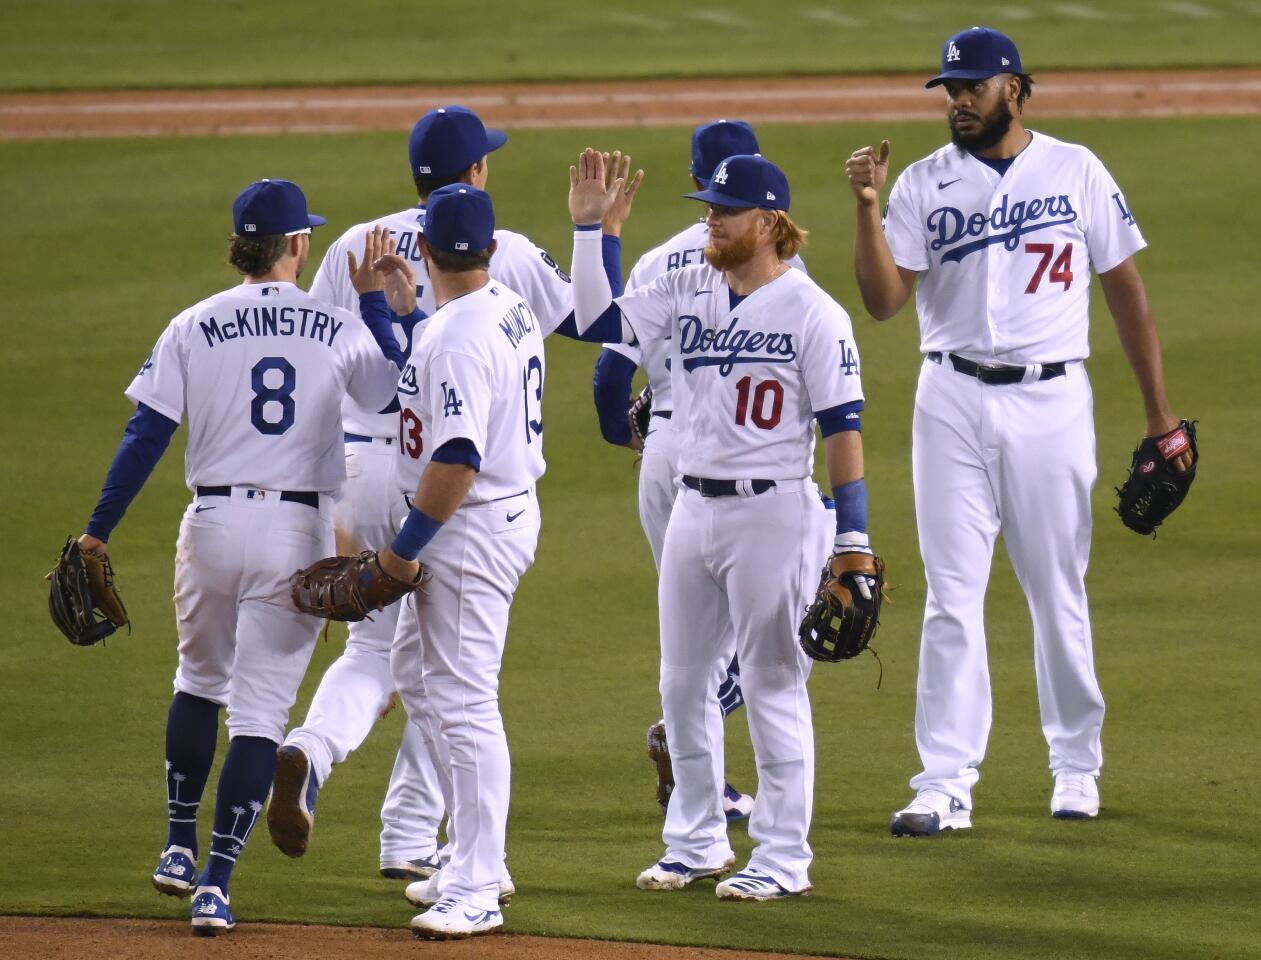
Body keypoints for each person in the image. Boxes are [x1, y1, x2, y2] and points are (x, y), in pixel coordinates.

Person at [270, 105, 635, 880]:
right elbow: (597, 318)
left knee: (397, 659)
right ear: (477, 179)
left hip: (366, 466)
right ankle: (428, 844)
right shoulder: (505, 277)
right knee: (445, 680)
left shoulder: (352, 245)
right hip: (452, 486)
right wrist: (596, 233)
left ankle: (320, 753)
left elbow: (330, 365)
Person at [844, 26, 1192, 836]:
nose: (959, 100)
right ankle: (942, 783)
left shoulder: (1075, 168)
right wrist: (866, 210)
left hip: (1052, 401)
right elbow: (883, 301)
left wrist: (1159, 414)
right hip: (950, 401)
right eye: (949, 88)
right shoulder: (922, 183)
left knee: (1055, 588)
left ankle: (1075, 765)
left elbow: (1125, 290)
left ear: (1016, 88)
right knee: (950, 597)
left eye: (973, 86)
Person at [74, 179, 399, 935]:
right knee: (258, 716)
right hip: (295, 534)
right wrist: (377, 302)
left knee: (198, 681)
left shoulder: (193, 322)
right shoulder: (334, 322)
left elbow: (145, 435)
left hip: (211, 525)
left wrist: (99, 530)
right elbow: (389, 395)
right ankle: (216, 885)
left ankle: (178, 844)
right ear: (295, 245)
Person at [569, 150, 874, 900]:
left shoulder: (812, 312)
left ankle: (781, 856)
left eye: (722, 209)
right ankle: (696, 842)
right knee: (682, 685)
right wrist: (589, 233)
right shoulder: (684, 290)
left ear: (769, 223)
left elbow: (842, 430)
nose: (707, 218)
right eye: (706, 206)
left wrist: (853, 540)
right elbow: (593, 320)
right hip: (692, 507)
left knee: (771, 682)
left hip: (773, 510)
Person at [302, 184, 545, 939]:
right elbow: (446, 388)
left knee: (467, 702)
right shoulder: (502, 305)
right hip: (486, 515)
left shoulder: (455, 337)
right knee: (412, 674)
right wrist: (406, 312)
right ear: (492, 249)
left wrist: (401, 555)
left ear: (426, 251)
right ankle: (475, 855)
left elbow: (458, 454)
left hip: (464, 525)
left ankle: (477, 883)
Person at [592, 120, 810, 822]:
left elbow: (606, 370)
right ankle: (702, 774)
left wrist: (629, 432)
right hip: (749, 464)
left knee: (692, 642)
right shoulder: (782, 271)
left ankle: (703, 791)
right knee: (762, 643)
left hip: (666, 462)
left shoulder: (660, 260)